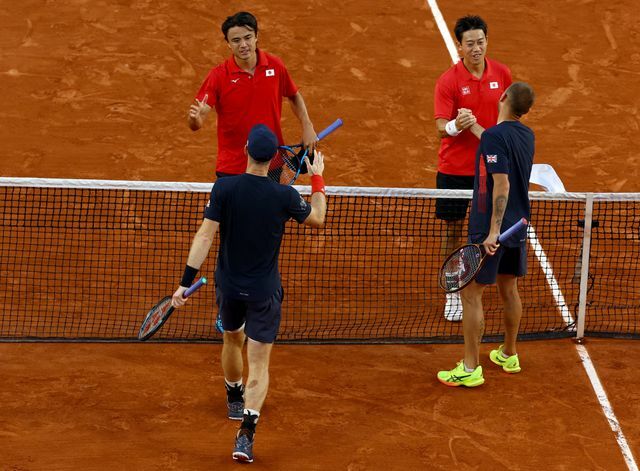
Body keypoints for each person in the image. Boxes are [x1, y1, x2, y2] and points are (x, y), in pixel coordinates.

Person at [171, 124, 327, 462]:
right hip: (264, 292)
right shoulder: (284, 196)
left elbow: (204, 236)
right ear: (273, 157)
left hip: (229, 287)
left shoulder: (224, 189)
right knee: (259, 362)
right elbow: (317, 218)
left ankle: (233, 396)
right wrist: (317, 178)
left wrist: (185, 282)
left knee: (231, 338)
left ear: (245, 150)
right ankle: (246, 434)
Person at [436, 82, 535, 388]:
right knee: (509, 287)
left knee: (470, 293)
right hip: (518, 224)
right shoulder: (525, 135)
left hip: (491, 228)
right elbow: (495, 146)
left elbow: (501, 185)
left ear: (503, 98)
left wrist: (492, 232)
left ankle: (470, 367)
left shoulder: (494, 137)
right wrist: (476, 127)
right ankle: (509, 352)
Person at [433, 15, 512, 322]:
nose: (477, 49)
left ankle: (476, 286)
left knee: (483, 231)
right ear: (459, 47)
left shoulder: (502, 73)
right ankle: (452, 290)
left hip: (489, 169)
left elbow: (508, 116)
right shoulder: (448, 81)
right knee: (453, 230)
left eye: (481, 42)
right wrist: (455, 125)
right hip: (454, 169)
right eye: (470, 44)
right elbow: (440, 127)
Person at [188, 11, 317, 178]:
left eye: (247, 37)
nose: (243, 45)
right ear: (228, 44)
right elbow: (197, 121)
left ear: (257, 36)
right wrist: (195, 120)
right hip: (232, 167)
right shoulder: (218, 76)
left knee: (268, 205)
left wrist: (307, 126)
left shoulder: (275, 66)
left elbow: (293, 95)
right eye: (236, 40)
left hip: (270, 162)